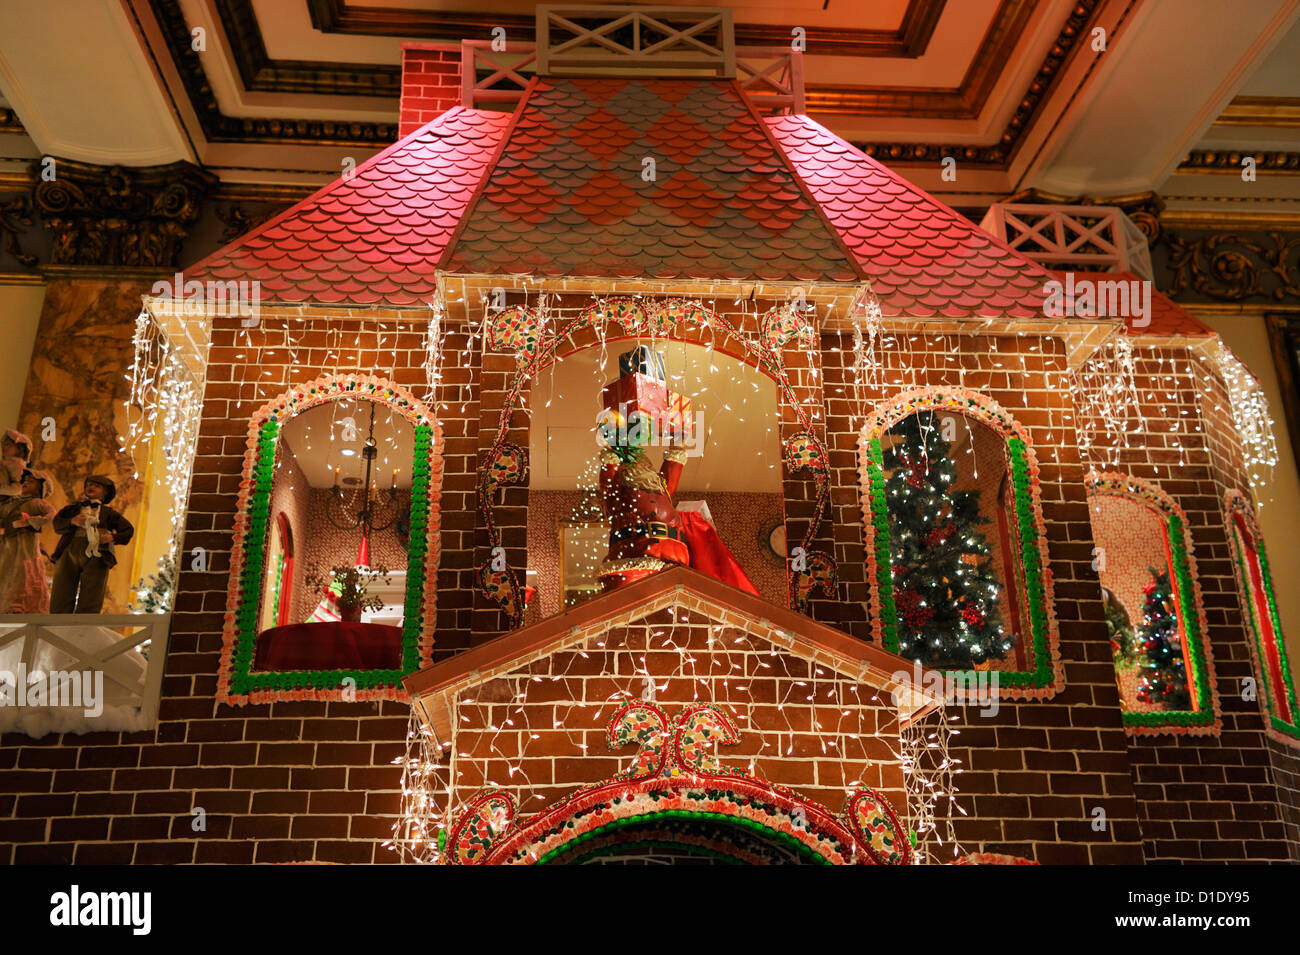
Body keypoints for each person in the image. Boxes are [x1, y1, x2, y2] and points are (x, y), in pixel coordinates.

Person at [50, 474, 134, 614]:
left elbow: (127, 530)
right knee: (62, 585)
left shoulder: (109, 513)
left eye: (97, 486)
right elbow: (57, 524)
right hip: (70, 548)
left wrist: (112, 537)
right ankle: (58, 620)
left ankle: (85, 623)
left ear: (105, 493)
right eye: (89, 484)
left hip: (98, 551)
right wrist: (72, 521)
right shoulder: (72, 510)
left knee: (93, 587)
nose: (91, 487)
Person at [0, 468, 56, 613]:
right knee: (6, 571)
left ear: (41, 487)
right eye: (25, 481)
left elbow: (51, 515)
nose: (26, 483)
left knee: (24, 571)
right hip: (6, 543)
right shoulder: (11, 502)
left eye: (31, 482)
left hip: (25, 543)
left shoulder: (37, 503)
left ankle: (20, 604)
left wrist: (30, 521)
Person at [0, 429, 33, 500]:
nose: (4, 447)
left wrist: (1, 489)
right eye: (4, 444)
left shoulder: (17, 466)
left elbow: (18, 488)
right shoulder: (6, 463)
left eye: (9, 445)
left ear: (19, 449)